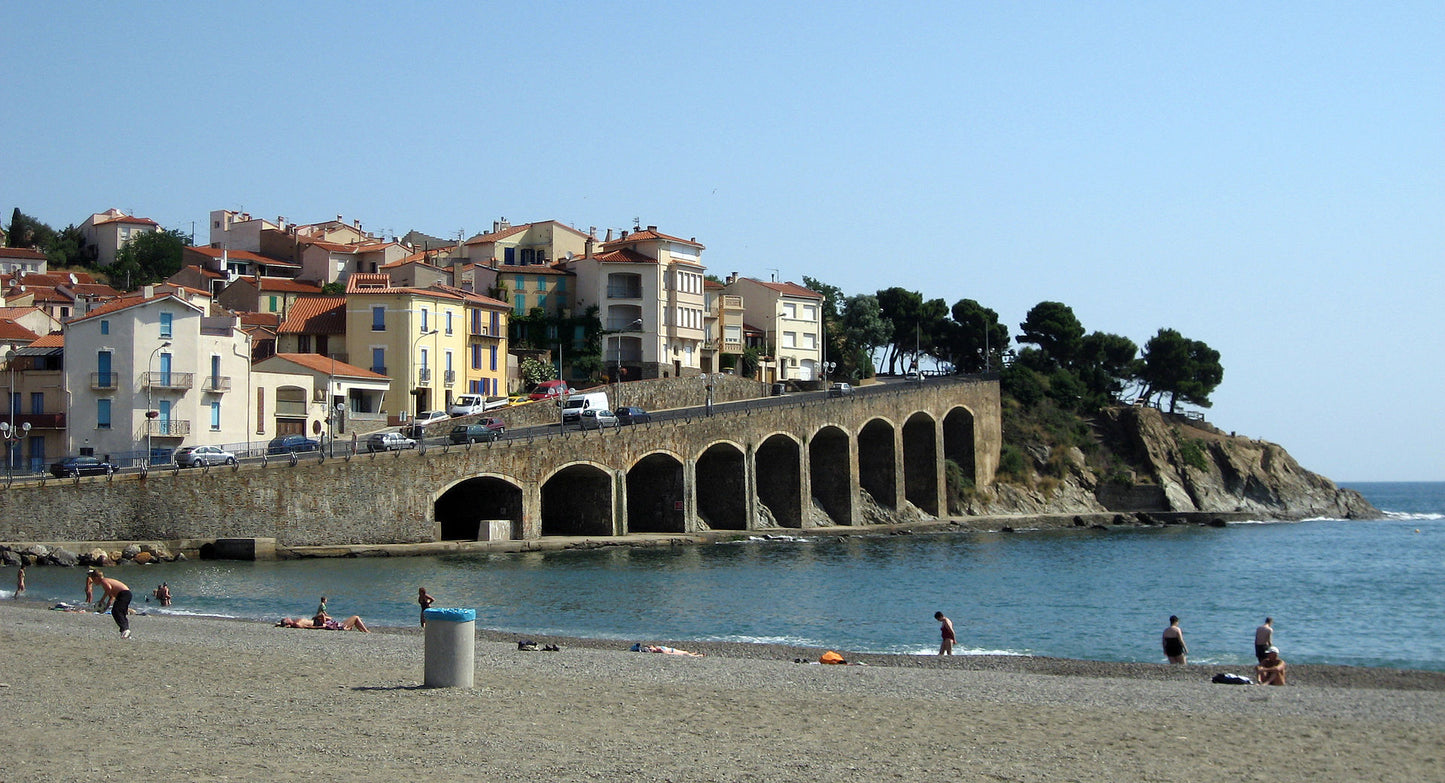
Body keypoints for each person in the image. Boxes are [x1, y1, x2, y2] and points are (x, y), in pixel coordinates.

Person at [86, 569, 133, 639]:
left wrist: (102, 600)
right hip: (125, 594)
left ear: (96, 578)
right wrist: (105, 607)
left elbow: (109, 589)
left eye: (93, 580)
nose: (93, 582)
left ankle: (125, 629)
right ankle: (125, 631)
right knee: (120, 612)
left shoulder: (104, 581)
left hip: (124, 594)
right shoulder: (104, 582)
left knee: (116, 611)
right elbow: (111, 597)